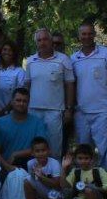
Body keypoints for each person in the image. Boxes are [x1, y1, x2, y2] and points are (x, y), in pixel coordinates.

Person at [69, 21, 107, 158]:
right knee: (83, 151)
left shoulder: (106, 53)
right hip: (81, 112)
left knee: (105, 151)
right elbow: (71, 85)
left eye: (89, 34)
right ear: (79, 36)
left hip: (103, 111)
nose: (86, 37)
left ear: (94, 34)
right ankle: (86, 173)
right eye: (83, 34)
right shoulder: (73, 58)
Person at [25, 28, 75, 158]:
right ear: (36, 43)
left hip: (55, 111)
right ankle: (35, 169)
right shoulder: (30, 61)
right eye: (39, 40)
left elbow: (70, 85)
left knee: (54, 146)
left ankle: (55, 169)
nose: (42, 43)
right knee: (35, 145)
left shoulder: (63, 59)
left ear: (51, 41)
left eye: (45, 39)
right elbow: (27, 85)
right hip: (33, 110)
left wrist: (69, 109)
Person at [0, 86, 47, 182]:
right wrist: (7, 166)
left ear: (28, 103)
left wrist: (16, 154)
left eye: (24, 101)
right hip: (5, 166)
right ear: (12, 102)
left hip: (30, 167)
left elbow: (42, 149)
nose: (21, 103)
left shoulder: (37, 122)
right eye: (18, 100)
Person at [16, 134, 63, 199]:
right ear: (32, 153)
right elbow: (33, 182)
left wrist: (41, 176)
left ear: (48, 151)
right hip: (43, 192)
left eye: (43, 150)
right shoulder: (30, 163)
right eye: (37, 151)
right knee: (27, 180)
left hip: (57, 195)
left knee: (28, 179)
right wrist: (36, 175)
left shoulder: (54, 163)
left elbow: (57, 185)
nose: (41, 153)